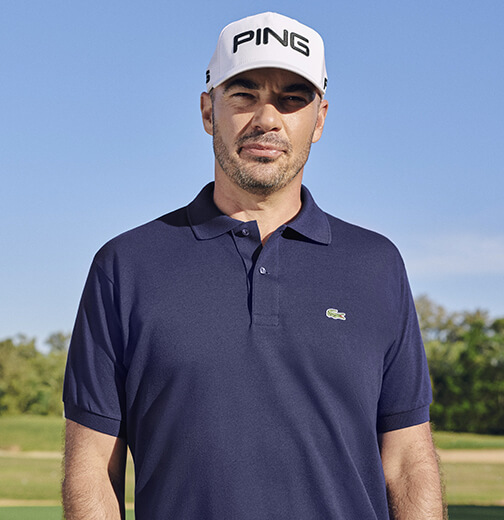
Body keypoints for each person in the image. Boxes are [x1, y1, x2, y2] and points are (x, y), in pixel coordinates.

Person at [62, 11, 445, 520]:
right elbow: (92, 466)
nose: (267, 119)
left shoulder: (376, 266)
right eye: (244, 94)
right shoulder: (125, 266)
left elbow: (408, 462)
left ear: (320, 119)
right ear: (208, 111)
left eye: (292, 99)